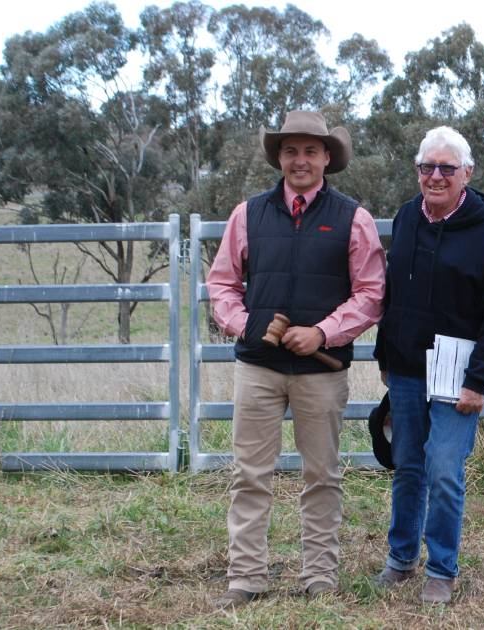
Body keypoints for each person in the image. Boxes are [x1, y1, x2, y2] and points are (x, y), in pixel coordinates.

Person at [206, 109, 386, 610]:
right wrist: (245, 324)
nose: (300, 160)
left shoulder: (354, 219)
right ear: (279, 157)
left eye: (311, 150)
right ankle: (246, 577)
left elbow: (371, 294)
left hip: (320, 373)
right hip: (257, 367)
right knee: (249, 474)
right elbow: (221, 285)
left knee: (323, 474)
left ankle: (319, 575)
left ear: (328, 157)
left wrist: (323, 333)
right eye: (291, 150)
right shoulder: (248, 214)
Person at [372, 126, 484, 604]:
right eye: (426, 168)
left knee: (443, 469)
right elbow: (393, 292)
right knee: (407, 465)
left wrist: (479, 380)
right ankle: (400, 558)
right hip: (408, 370)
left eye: (446, 168)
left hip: (458, 378)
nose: (435, 176)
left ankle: (442, 568)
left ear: (467, 173)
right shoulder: (406, 218)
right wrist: (385, 354)